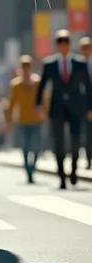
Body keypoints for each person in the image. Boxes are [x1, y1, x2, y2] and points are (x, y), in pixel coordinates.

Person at [36, 29, 92, 189]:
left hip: (76, 107)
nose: (63, 45)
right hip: (57, 108)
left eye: (66, 42)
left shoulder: (80, 63)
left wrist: (90, 107)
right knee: (58, 143)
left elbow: (88, 87)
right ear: (56, 45)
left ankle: (74, 170)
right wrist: (39, 104)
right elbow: (42, 85)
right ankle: (61, 176)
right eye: (60, 42)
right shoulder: (50, 64)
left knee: (76, 141)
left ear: (69, 44)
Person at [6, 55, 43, 183]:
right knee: (26, 147)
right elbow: (12, 104)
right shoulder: (15, 85)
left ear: (31, 67)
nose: (26, 69)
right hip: (23, 121)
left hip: (36, 120)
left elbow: (44, 100)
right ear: (20, 68)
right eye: (23, 66)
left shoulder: (38, 83)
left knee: (37, 147)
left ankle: (33, 167)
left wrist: (44, 113)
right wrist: (9, 120)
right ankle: (28, 171)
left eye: (28, 66)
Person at [79, 36, 92, 169]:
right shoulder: (77, 65)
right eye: (83, 48)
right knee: (87, 134)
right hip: (82, 106)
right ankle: (88, 159)